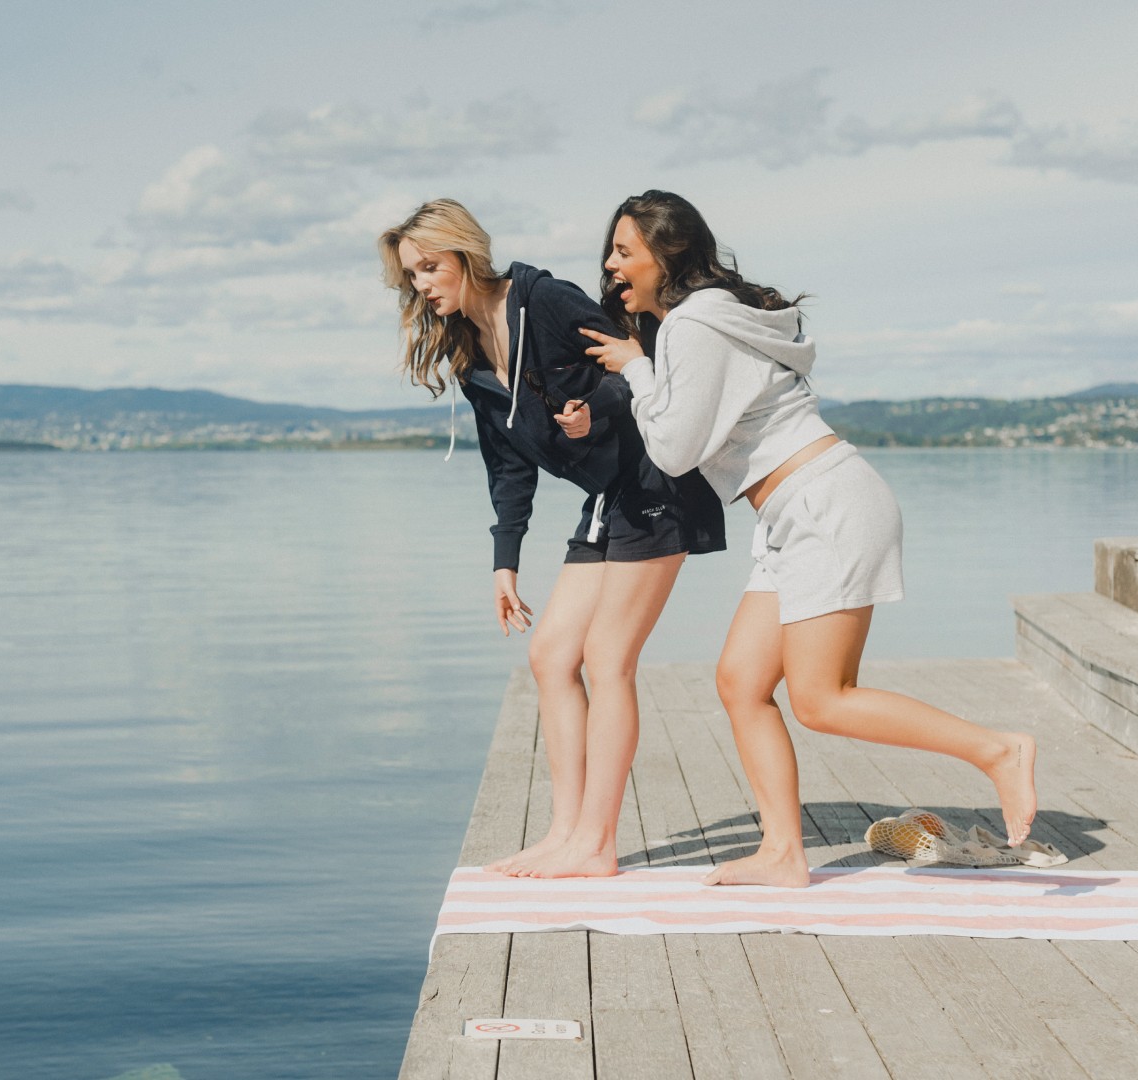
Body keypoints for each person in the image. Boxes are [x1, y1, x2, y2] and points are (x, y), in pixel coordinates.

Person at [580, 190, 1038, 888]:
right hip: (795, 512)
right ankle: (783, 853)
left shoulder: (692, 325)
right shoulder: (713, 317)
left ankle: (999, 750)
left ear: (666, 255)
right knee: (741, 682)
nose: (612, 266)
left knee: (823, 699)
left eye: (624, 252)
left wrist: (635, 368)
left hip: (823, 505)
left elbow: (673, 450)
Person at [378, 199, 725, 878]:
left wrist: (590, 409)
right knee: (551, 656)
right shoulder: (470, 353)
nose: (421, 284)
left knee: (607, 658)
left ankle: (597, 844)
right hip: (607, 498)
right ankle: (566, 832)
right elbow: (507, 467)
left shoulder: (545, 300)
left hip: (657, 484)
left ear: (465, 256)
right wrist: (504, 562)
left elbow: (640, 367)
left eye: (430, 267)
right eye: (411, 275)